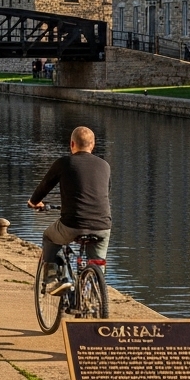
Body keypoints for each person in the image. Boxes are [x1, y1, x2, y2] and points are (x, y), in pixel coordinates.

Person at [26, 126, 111, 295]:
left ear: (72, 144)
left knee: (49, 236)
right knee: (97, 261)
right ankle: (94, 292)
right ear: (93, 145)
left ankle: (55, 277)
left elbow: (45, 186)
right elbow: (104, 192)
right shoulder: (105, 165)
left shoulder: (65, 163)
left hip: (73, 223)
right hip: (102, 225)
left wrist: (34, 202)